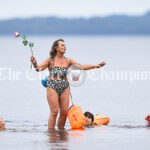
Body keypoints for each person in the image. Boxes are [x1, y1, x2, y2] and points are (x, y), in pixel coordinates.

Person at [30, 39, 106, 130]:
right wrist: (34, 63)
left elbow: (81, 66)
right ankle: (51, 133)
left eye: (65, 45)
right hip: (52, 85)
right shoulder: (50, 60)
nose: (64, 47)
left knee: (64, 112)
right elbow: (38, 69)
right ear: (56, 48)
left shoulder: (68, 61)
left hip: (65, 86)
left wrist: (95, 66)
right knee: (54, 112)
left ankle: (61, 132)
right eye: (62, 45)